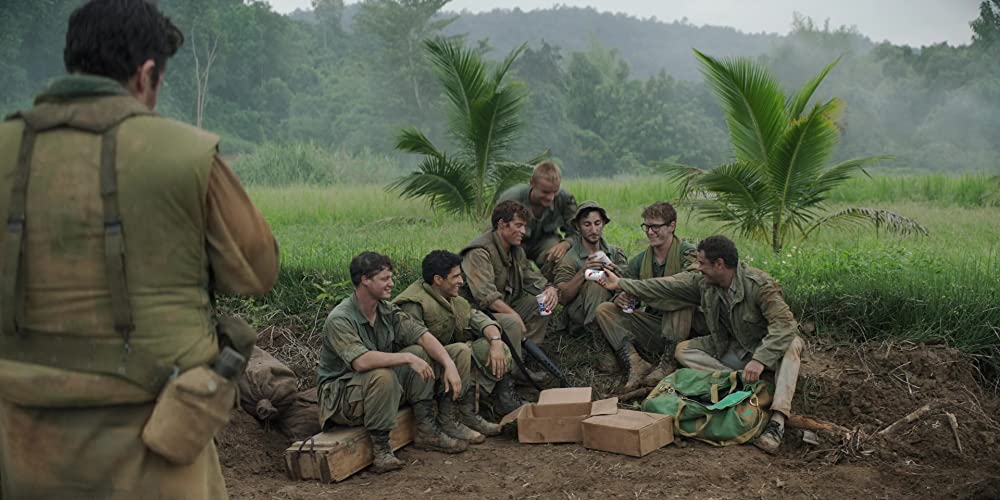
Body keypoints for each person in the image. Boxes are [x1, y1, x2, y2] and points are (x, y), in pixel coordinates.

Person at [0, 1, 279, 497]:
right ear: (146, 73)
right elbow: (256, 271)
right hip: (156, 441)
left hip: (20, 438)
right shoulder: (183, 153)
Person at [598, 235, 805, 454]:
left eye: (703, 263)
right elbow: (666, 286)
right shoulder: (705, 283)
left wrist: (760, 359)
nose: (699, 268)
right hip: (732, 349)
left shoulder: (759, 285)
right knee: (683, 351)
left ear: (719, 265)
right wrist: (621, 283)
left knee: (793, 343)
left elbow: (784, 326)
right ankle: (744, 386)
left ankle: (777, 421)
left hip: (764, 351)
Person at [317, 252, 472, 473]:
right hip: (341, 397)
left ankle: (426, 429)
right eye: (385, 279)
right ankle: (381, 451)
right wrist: (407, 358)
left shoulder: (385, 310)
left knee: (421, 351)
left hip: (372, 389)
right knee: (386, 373)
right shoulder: (340, 318)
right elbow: (361, 361)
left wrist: (449, 364)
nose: (392, 284)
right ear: (365, 280)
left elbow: (422, 335)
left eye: (391, 278)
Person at [393, 250, 519, 429]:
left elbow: (480, 320)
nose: (461, 281)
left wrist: (496, 341)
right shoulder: (414, 303)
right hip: (423, 372)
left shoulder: (454, 299)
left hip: (449, 363)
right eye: (456, 276)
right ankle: (449, 415)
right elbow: (416, 348)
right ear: (438, 279)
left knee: (488, 347)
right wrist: (448, 363)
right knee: (461, 350)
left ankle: (471, 409)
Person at [595, 202, 701, 390]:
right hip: (654, 325)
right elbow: (624, 288)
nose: (650, 232)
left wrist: (642, 289)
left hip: (686, 330)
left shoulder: (688, 252)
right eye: (647, 227)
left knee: (678, 298)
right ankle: (634, 362)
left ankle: (668, 363)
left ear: (672, 226)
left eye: (656, 227)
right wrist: (621, 299)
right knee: (605, 310)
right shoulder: (640, 261)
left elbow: (690, 285)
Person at [460, 200, 559, 383]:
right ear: (501, 225)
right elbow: (485, 297)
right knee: (513, 322)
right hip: (476, 313)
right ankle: (512, 378)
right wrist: (515, 316)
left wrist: (550, 288)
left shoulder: (516, 251)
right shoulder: (479, 252)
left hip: (502, 306)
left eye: (524, 226)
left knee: (543, 304)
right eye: (518, 225)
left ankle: (524, 357)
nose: (523, 231)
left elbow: (530, 276)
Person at [552, 201, 628, 372]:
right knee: (595, 283)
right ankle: (601, 346)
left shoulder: (615, 253)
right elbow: (562, 297)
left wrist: (613, 272)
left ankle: (624, 344)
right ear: (578, 227)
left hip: (612, 307)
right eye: (587, 224)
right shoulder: (570, 259)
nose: (593, 230)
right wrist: (583, 273)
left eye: (597, 223)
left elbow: (630, 282)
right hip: (580, 315)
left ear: (603, 224)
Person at [497, 160, 578, 279]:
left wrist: (566, 243)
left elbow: (578, 231)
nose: (550, 198)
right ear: (532, 183)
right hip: (514, 243)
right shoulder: (511, 199)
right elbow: (495, 234)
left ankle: (555, 288)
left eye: (554, 192)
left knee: (560, 257)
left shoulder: (564, 199)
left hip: (545, 242)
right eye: (545, 192)